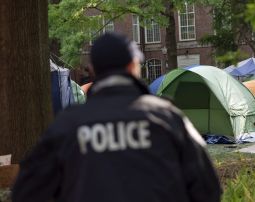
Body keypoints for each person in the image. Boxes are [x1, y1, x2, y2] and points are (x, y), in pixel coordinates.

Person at [12, 33, 221, 202]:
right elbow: (208, 188)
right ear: (132, 66)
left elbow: (26, 191)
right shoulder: (167, 117)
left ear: (93, 70)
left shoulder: (67, 125)